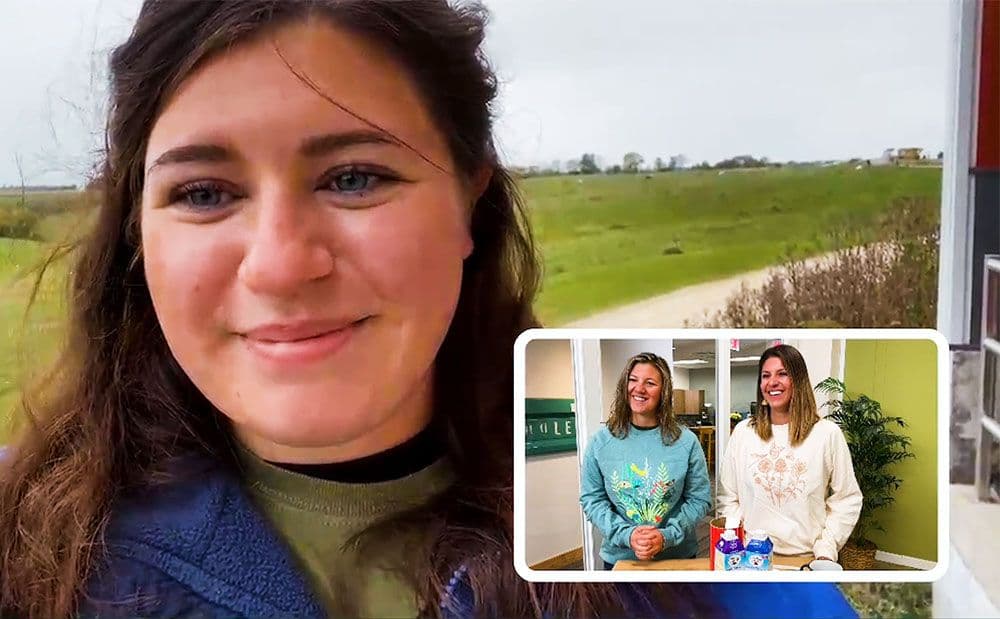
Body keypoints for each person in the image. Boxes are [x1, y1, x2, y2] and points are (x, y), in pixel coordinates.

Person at [0, 1, 859, 618]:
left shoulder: (718, 552)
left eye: (353, 177)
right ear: (137, 231)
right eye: (203, 192)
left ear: (468, 201)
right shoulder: (24, 545)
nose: (281, 264)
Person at [718, 344, 863, 562]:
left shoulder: (827, 434)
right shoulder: (743, 432)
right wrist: (736, 540)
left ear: (798, 380)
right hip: (751, 556)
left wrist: (826, 548)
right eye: (766, 375)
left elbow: (847, 498)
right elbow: (728, 497)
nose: (772, 382)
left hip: (806, 557)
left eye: (782, 374)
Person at [580, 352, 712, 569]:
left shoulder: (686, 441)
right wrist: (627, 535)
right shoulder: (600, 442)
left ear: (664, 391)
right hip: (621, 559)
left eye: (650, 383)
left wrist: (667, 536)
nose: (639, 389)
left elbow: (699, 499)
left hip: (676, 558)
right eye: (633, 380)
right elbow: (592, 499)